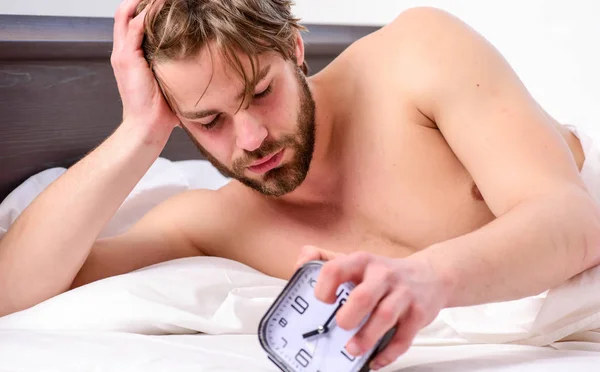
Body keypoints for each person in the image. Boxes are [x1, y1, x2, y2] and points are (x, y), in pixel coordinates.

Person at [1, 0, 599, 369]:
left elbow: (573, 221)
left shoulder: (415, 56)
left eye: (262, 91)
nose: (252, 139)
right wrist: (139, 133)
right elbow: (13, 289)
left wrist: (428, 277)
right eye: (208, 121)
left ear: (294, 48)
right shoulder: (216, 220)